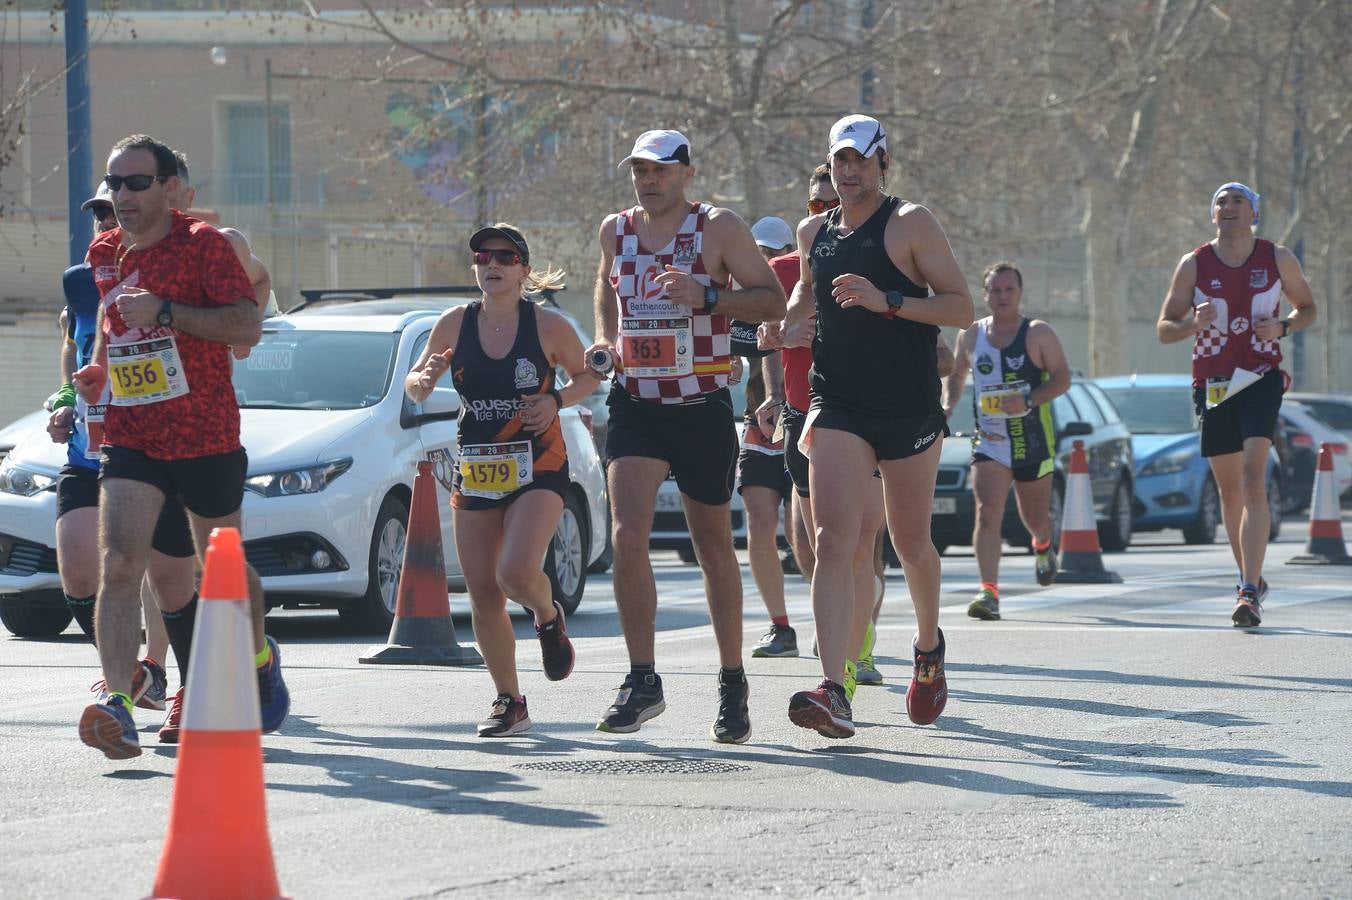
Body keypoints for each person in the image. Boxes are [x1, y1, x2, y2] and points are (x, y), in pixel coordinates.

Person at [72, 134, 288, 759]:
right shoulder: (103, 251)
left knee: (220, 570)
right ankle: (119, 702)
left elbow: (246, 325)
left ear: (169, 188)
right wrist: (97, 373)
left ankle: (258, 654)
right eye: (115, 183)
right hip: (134, 436)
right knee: (121, 565)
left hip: (205, 436)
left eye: (137, 182)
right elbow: (113, 332)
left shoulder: (204, 247)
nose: (124, 195)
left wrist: (166, 310)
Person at [589, 129, 786, 743]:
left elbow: (772, 301)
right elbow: (604, 282)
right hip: (636, 402)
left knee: (712, 546)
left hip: (699, 403)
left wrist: (708, 294)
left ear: (686, 174)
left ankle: (732, 683)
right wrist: (606, 337)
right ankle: (643, 678)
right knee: (627, 535)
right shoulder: (614, 229)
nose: (647, 181)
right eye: (639, 171)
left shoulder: (718, 228)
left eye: (659, 171)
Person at [781, 114, 973, 739]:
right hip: (837, 402)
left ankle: (927, 648)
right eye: (840, 161)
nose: (849, 171)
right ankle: (834, 687)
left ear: (882, 163)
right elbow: (802, 301)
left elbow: (961, 307)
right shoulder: (816, 231)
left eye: (861, 161)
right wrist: (783, 328)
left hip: (907, 406)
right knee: (834, 540)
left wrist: (888, 300)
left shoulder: (911, 222)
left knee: (911, 544)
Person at [405, 224, 598, 736]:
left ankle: (546, 613)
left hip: (539, 465)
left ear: (524, 270)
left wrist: (554, 399)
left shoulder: (547, 326)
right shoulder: (454, 323)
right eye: (483, 256)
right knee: (484, 593)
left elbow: (588, 376)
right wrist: (422, 380)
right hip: (478, 466)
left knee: (515, 572)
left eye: (506, 257)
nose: (493, 264)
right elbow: (418, 379)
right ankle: (509, 700)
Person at [46, 183, 191, 719]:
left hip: (152, 445)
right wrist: (68, 397)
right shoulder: (80, 279)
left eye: (115, 211)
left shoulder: (176, 266)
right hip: (90, 447)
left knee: (151, 569)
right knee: (81, 569)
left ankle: (151, 675)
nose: (106, 221)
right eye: (100, 213)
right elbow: (76, 341)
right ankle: (127, 671)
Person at [1157, 182, 1316, 626]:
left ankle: (1248, 589)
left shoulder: (1277, 257)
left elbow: (1308, 308)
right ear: (1213, 215)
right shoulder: (1194, 263)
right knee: (1229, 492)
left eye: (1237, 201)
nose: (1228, 207)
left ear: (1254, 214)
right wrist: (1192, 323)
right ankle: (1250, 576)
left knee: (1253, 481)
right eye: (1220, 202)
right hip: (1214, 382)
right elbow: (1164, 328)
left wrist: (1282, 328)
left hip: (1261, 377)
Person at [946, 261, 1070, 620]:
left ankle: (1043, 544)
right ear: (984, 295)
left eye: (1008, 289)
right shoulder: (971, 335)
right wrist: (948, 405)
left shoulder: (1038, 333)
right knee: (987, 513)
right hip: (990, 441)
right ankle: (989, 591)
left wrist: (1029, 400)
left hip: (1031, 439)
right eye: (995, 290)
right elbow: (956, 374)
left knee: (1034, 516)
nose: (1002, 296)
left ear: (1019, 292)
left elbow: (1062, 378)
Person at [739, 216, 797, 658]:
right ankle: (779, 625)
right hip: (759, 428)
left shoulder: (806, 289)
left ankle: (830, 617)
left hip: (806, 427)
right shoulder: (742, 300)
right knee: (759, 524)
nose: (767, 260)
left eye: (774, 252)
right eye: (760, 252)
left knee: (807, 535)